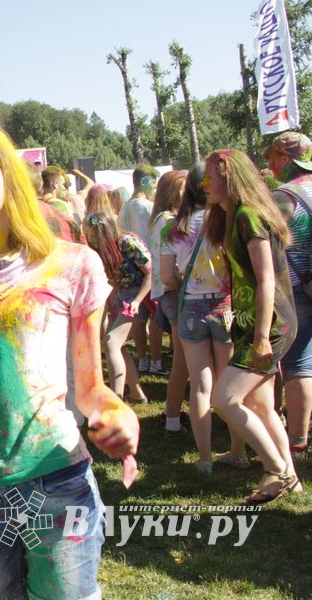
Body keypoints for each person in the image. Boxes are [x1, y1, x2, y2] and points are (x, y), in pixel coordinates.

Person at [0, 118, 138, 599]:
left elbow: (91, 387)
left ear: (9, 172)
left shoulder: (72, 264)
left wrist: (119, 416)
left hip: (55, 479)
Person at [204, 149, 301, 504]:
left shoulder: (249, 216)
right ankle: (292, 478)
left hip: (269, 325)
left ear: (230, 178)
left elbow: (266, 280)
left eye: (210, 178)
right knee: (260, 405)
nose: (204, 185)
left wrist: (261, 336)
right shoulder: (231, 216)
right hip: (251, 323)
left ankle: (276, 470)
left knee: (224, 398)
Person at [161, 163, 241, 473]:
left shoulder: (174, 227)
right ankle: (238, 451)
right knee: (230, 384)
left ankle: (205, 458)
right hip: (224, 305)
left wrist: (189, 284)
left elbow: (167, 277)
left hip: (191, 307)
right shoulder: (223, 219)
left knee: (200, 386)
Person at [265, 131, 312, 457]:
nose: (269, 162)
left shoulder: (284, 196)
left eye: (273, 156)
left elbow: (267, 242)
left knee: (298, 365)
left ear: (284, 158)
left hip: (296, 288)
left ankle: (296, 439)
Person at [83, 212, 151, 403]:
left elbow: (150, 273)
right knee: (115, 347)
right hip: (122, 297)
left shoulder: (127, 242)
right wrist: (112, 301)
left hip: (137, 298)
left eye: (93, 235)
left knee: (112, 343)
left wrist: (136, 302)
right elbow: (115, 279)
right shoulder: (104, 248)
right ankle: (137, 394)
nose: (90, 239)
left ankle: (115, 399)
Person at [148, 170, 188, 431]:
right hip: (172, 290)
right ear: (174, 191)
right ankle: (172, 417)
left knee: (182, 358)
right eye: (185, 188)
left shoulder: (160, 219)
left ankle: (173, 415)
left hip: (165, 290)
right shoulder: (168, 221)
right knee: (182, 359)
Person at [119, 163, 164, 374]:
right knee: (154, 316)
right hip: (150, 268)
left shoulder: (124, 208)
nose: (155, 187)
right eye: (153, 182)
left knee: (139, 317)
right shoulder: (147, 208)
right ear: (145, 182)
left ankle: (143, 359)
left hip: (132, 270)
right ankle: (156, 362)